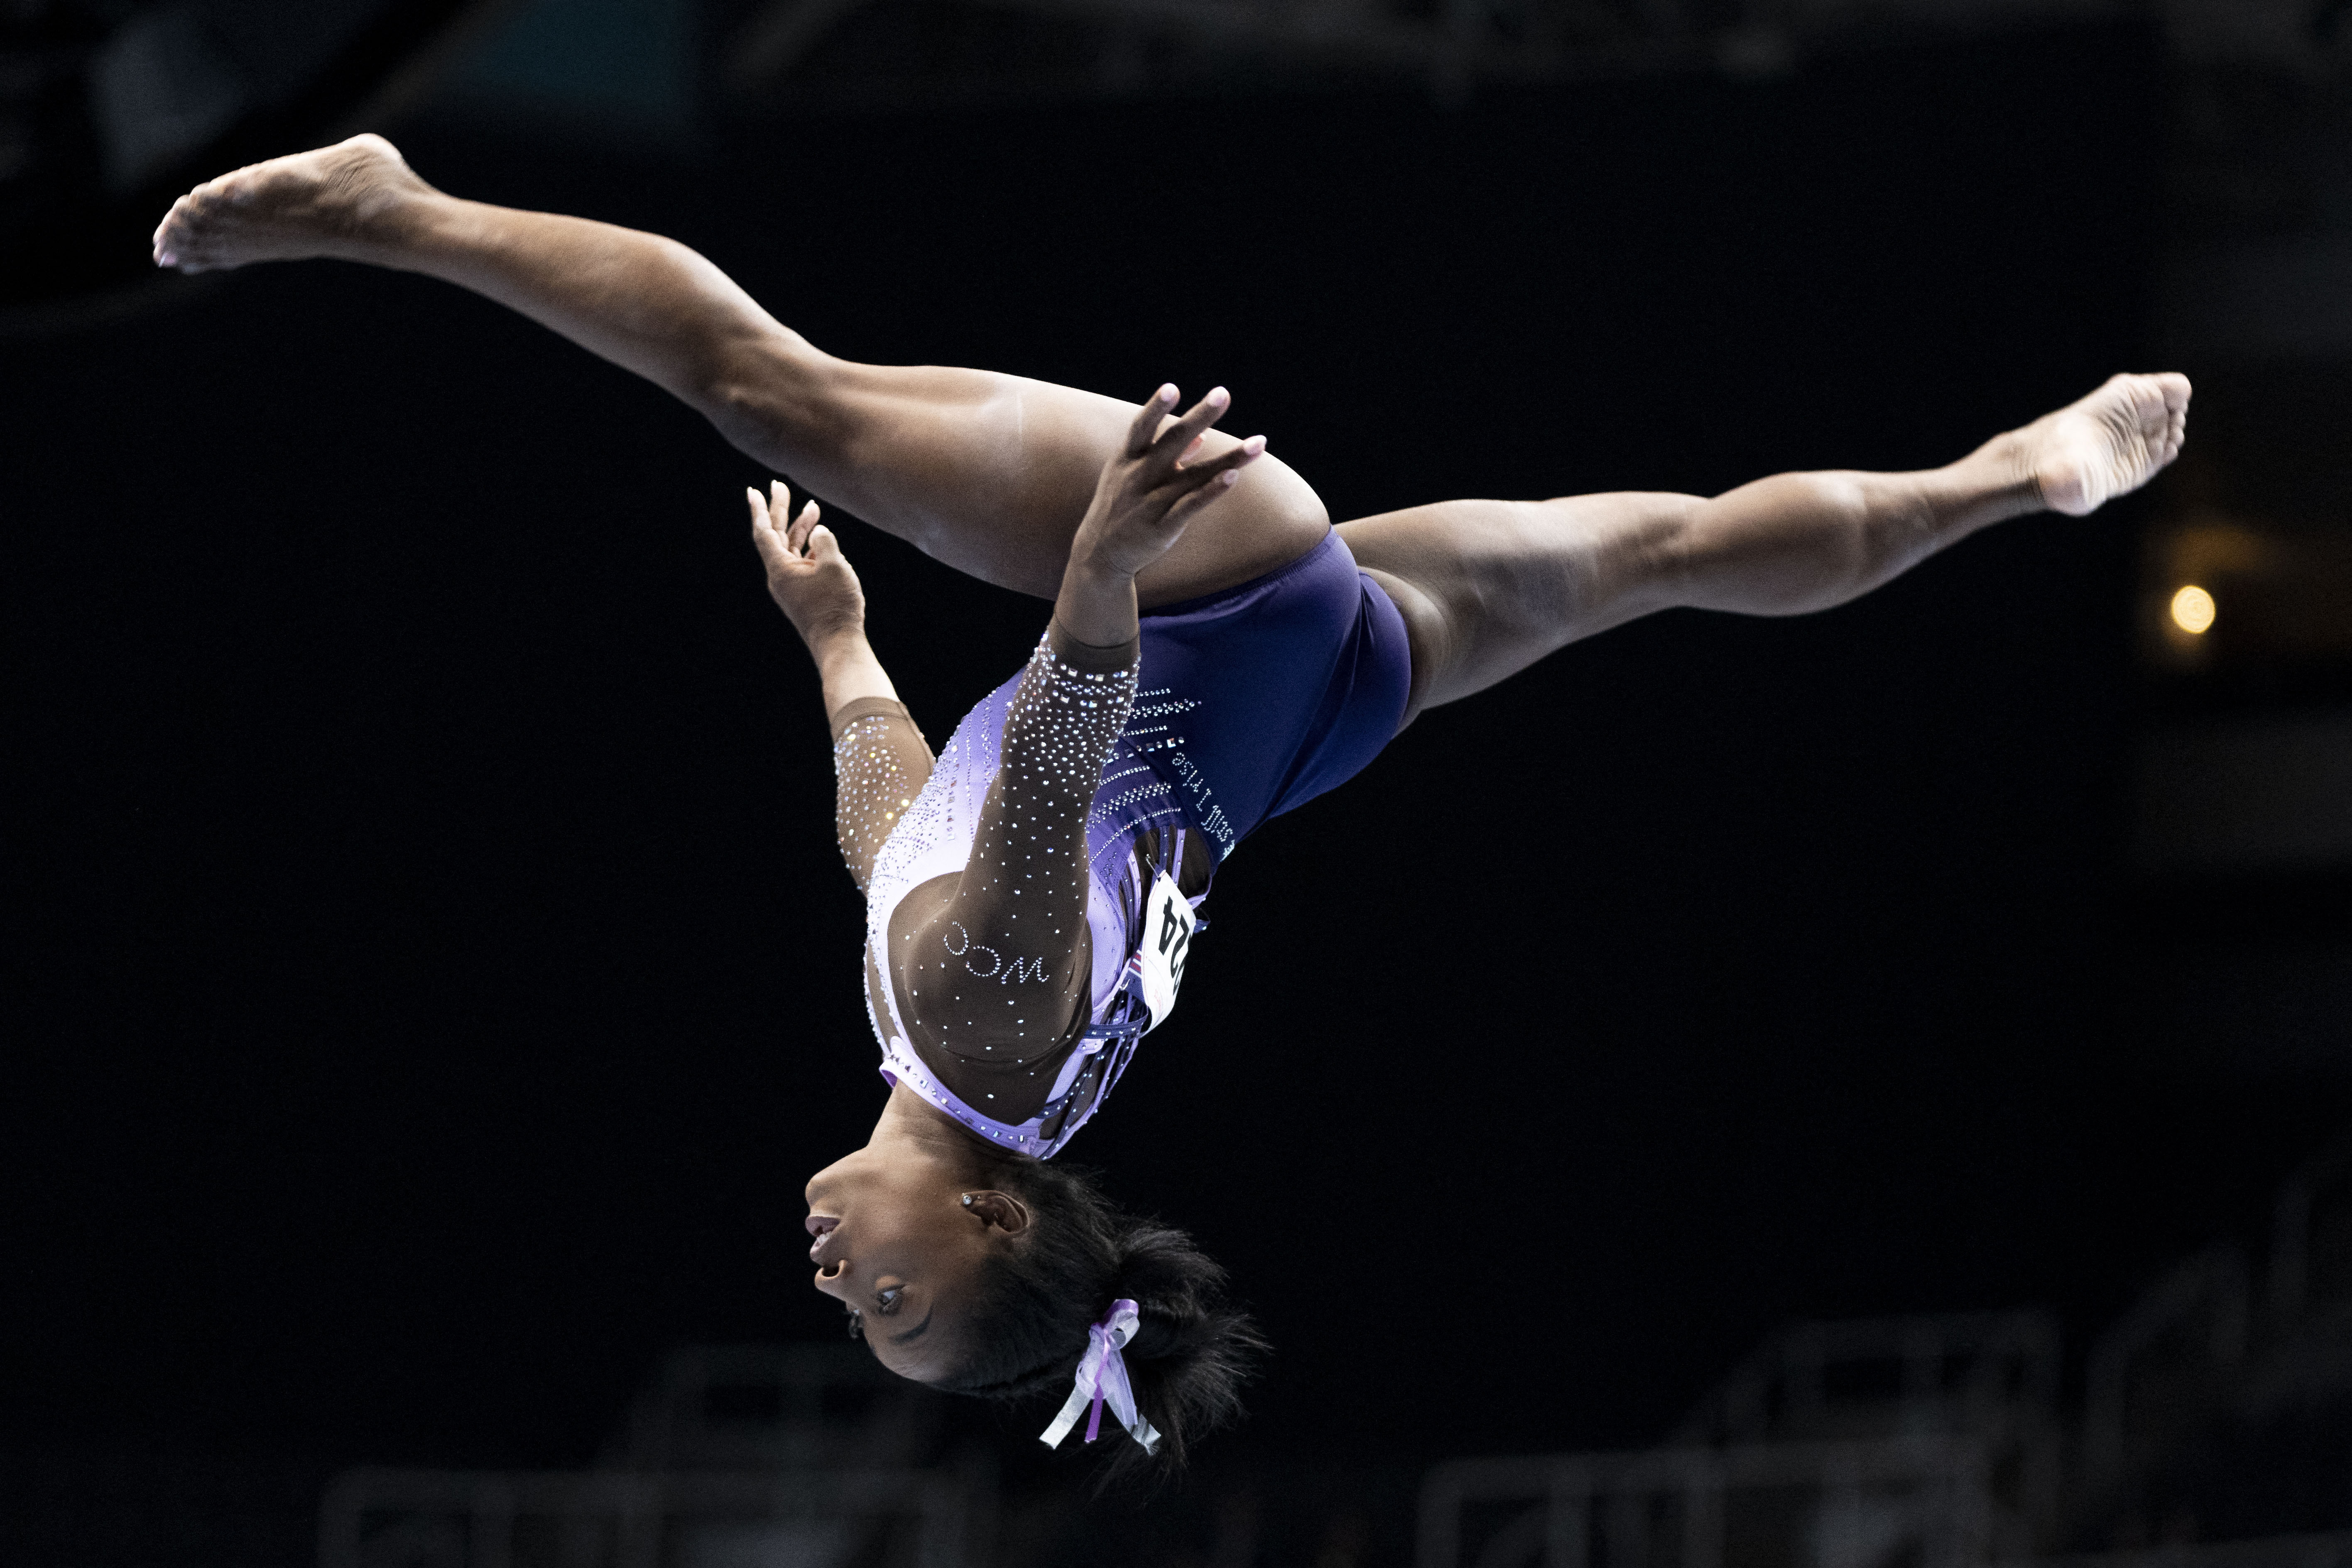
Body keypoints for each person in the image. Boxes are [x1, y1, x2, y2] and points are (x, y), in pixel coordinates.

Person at [152, 134, 2193, 1482]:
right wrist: (1111, 560)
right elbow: (1044, 764)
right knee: (765, 384)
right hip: (1199, 613)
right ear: (992, 1224)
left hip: (1314, 721)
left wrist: (842, 649)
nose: (830, 1274)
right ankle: (389, 202)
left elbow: (902, 840)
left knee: (1660, 552)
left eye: (853, 1312)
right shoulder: (981, 1038)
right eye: (892, 1292)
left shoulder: (966, 1058)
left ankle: (2025, 478)